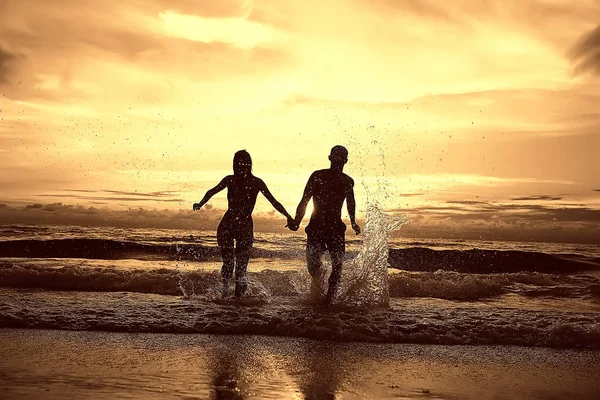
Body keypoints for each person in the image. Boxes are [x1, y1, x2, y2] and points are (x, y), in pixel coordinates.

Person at [193, 150, 294, 297]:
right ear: (234, 164)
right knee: (228, 264)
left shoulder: (256, 182)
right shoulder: (229, 180)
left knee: (241, 268)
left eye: (244, 163)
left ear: (249, 164)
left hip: (245, 226)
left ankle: (238, 299)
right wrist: (201, 202)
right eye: (238, 163)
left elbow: (274, 201)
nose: (241, 166)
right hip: (227, 225)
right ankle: (224, 294)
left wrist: (288, 216)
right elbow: (212, 191)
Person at [288, 145, 361, 303]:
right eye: (336, 156)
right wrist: (297, 221)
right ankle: (318, 289)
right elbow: (305, 200)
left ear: (346, 160)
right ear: (329, 157)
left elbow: (351, 203)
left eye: (342, 157)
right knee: (313, 266)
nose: (339, 159)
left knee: (337, 266)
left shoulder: (347, 181)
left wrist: (353, 222)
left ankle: (329, 300)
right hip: (316, 227)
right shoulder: (317, 176)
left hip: (336, 229)